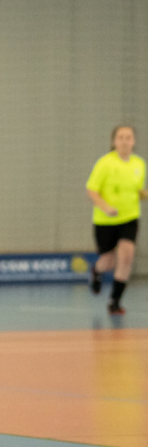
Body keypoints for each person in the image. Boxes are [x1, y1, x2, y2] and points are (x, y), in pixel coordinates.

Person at [86, 126, 146, 315]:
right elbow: (92, 190)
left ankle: (115, 301)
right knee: (109, 261)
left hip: (129, 218)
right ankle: (96, 271)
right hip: (105, 221)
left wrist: (144, 194)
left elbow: (137, 191)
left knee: (127, 256)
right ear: (114, 141)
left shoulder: (139, 164)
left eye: (128, 137)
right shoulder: (105, 163)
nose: (125, 141)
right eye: (121, 137)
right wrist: (106, 208)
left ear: (134, 141)